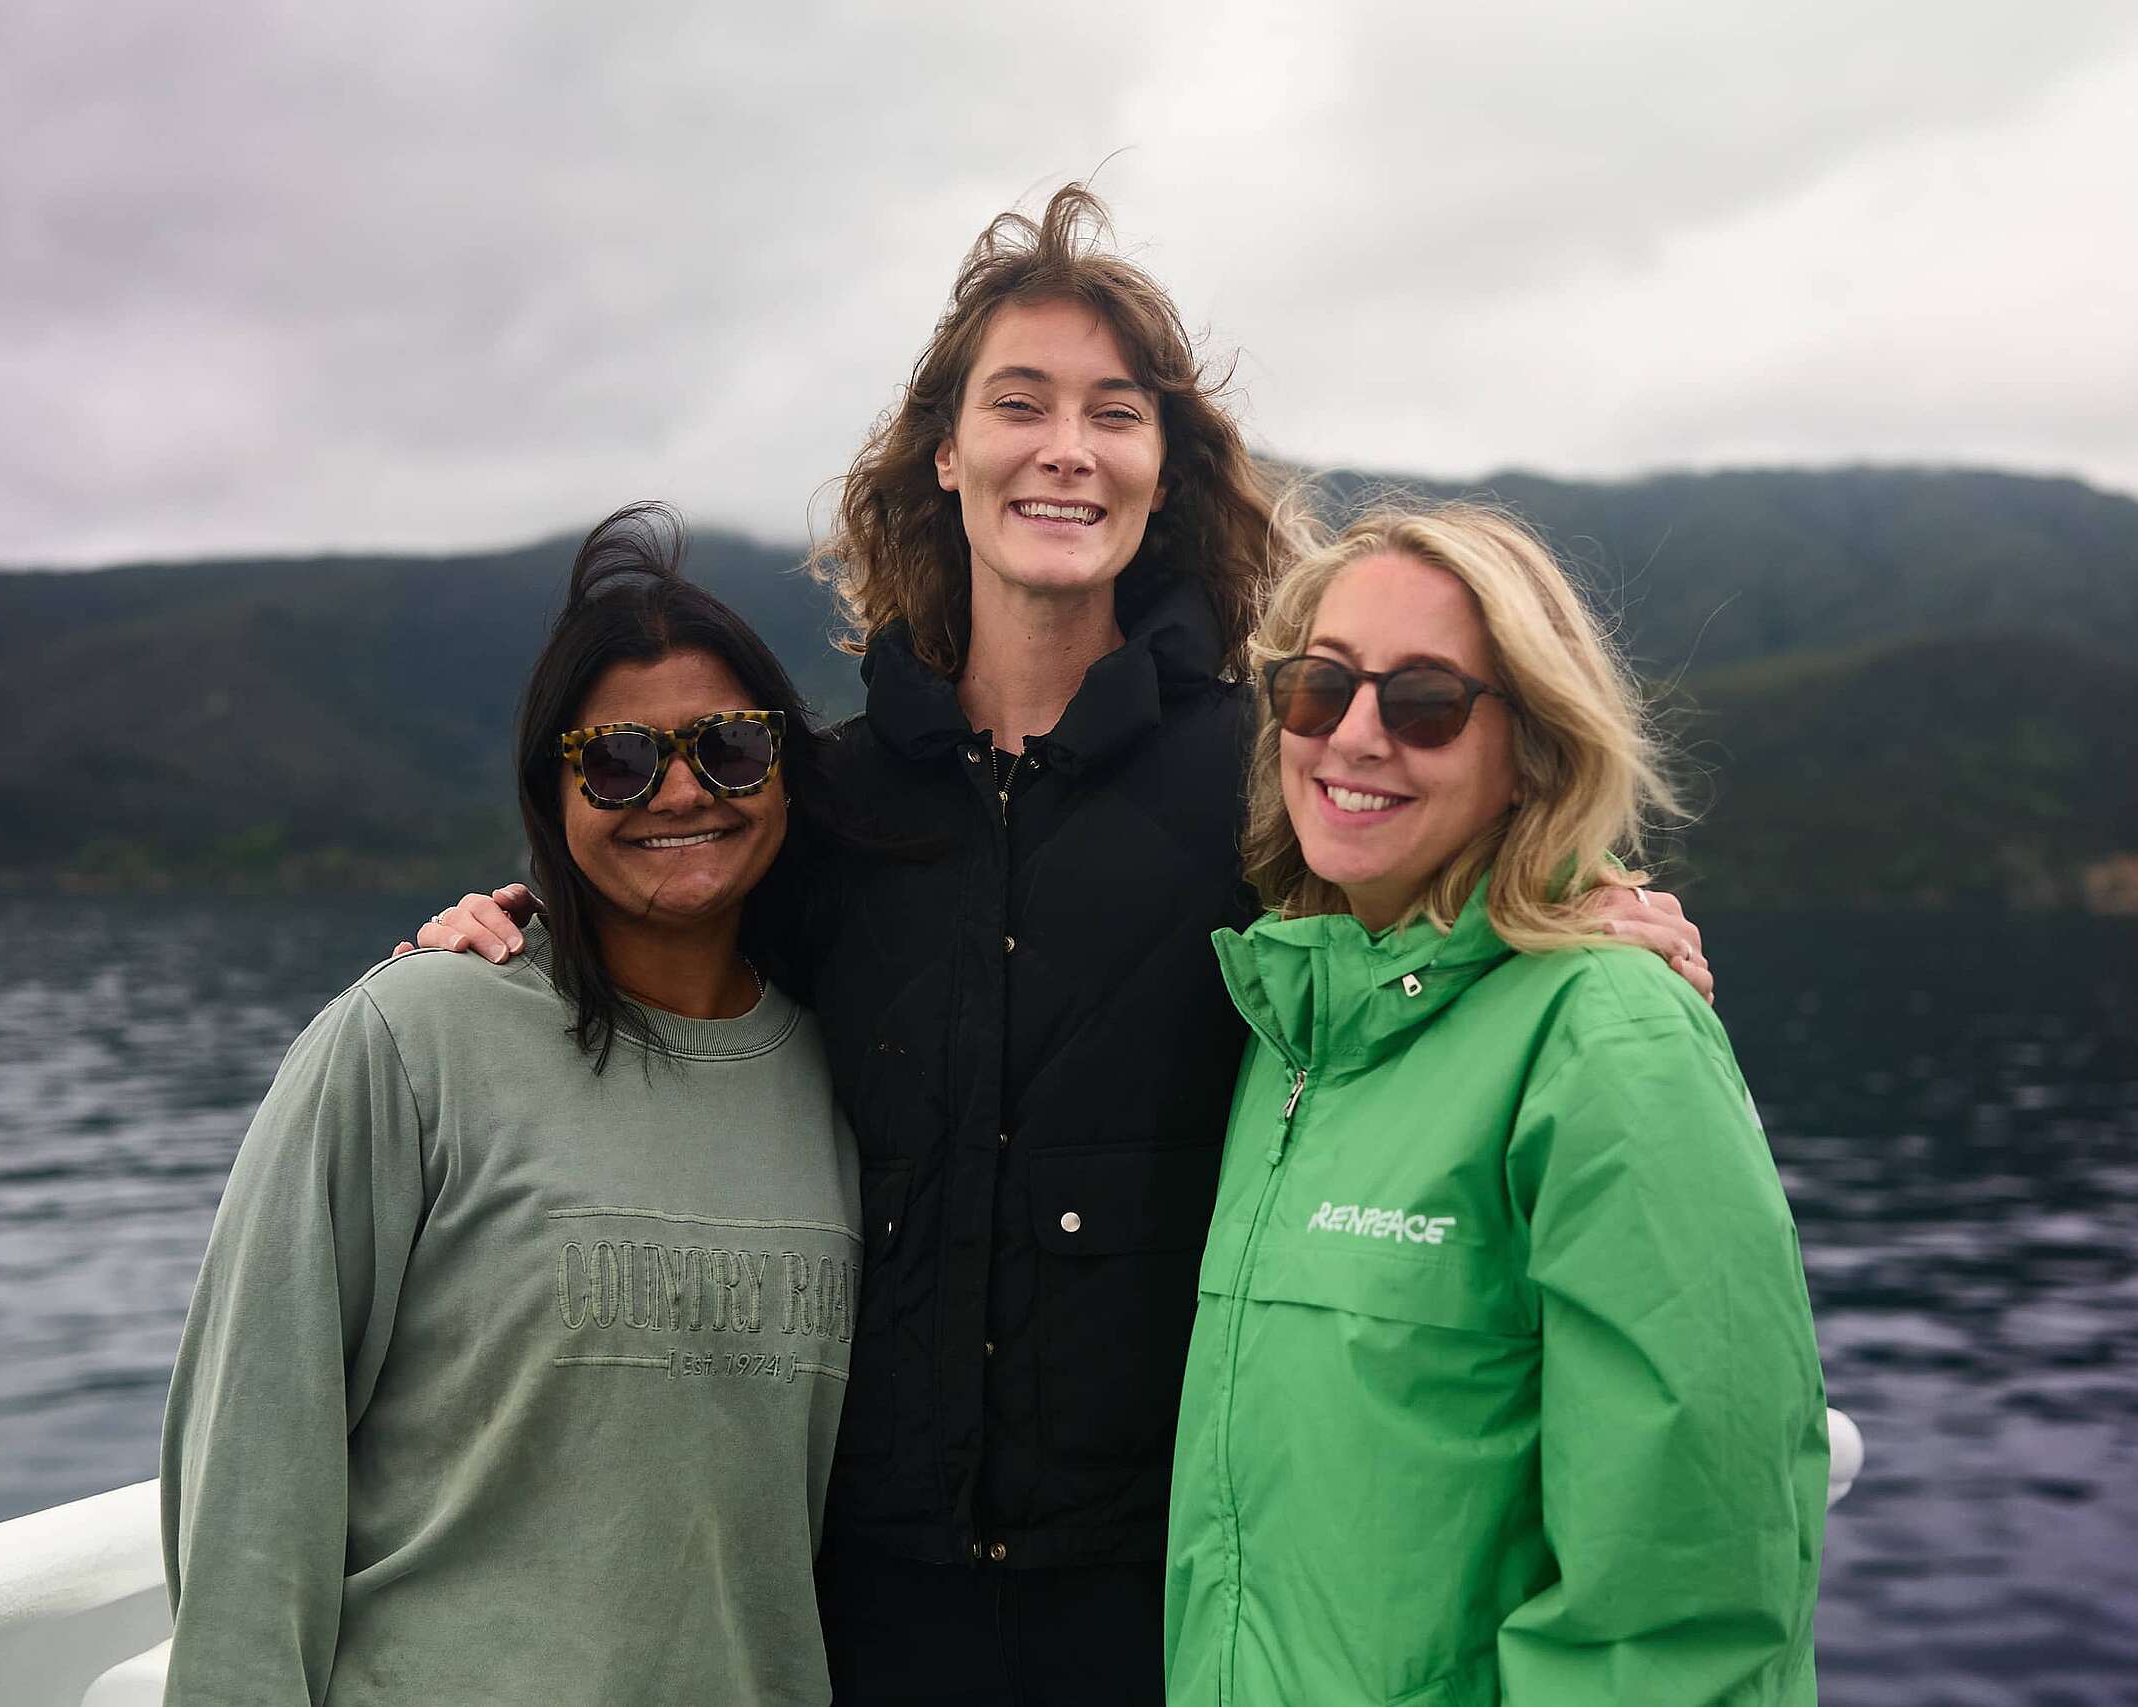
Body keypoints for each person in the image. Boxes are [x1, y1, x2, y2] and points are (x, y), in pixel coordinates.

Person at [410, 184, 1713, 1703]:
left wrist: (1582, 903)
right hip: (862, 1591)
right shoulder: (829, 798)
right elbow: (653, 896)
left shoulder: (1260, 769)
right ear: (943, 453)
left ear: (1165, 469)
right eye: (1018, 403)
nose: (1067, 447)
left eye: (1116, 412)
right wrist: (501, 921)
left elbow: (1428, 872)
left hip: (1168, 1590)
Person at [161, 505, 865, 1706]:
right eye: (621, 758)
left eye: (732, 748)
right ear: (555, 790)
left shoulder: (841, 1080)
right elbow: (251, 1468)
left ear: (787, 776)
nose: (681, 791)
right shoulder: (410, 1039)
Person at [1164, 503, 1826, 1705]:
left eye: (1422, 702)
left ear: (1532, 747)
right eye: (1318, 689)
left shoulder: (1609, 1040)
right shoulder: (1294, 1028)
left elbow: (1685, 1598)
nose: (1355, 738)